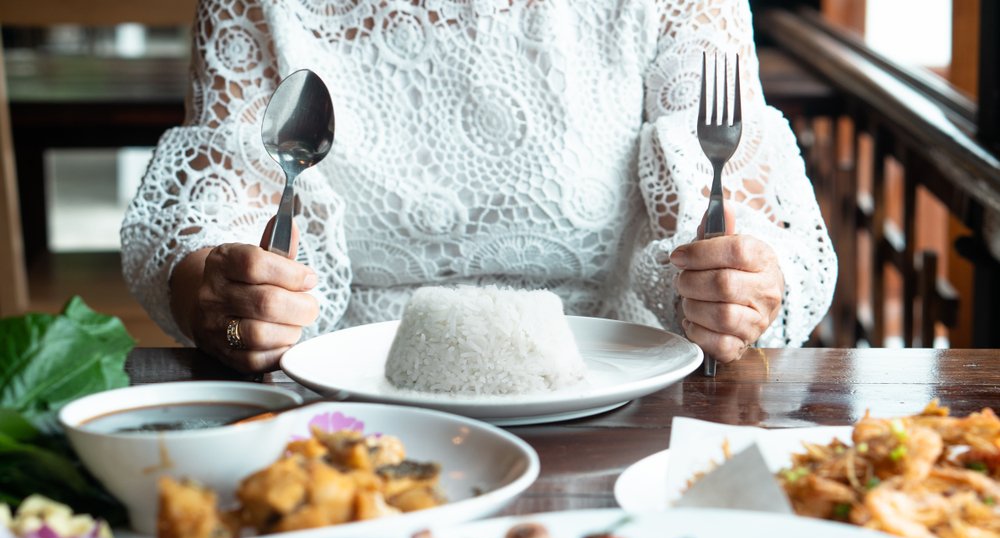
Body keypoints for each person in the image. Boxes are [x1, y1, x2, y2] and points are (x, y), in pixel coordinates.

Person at [122, 0, 836, 374]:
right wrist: (230, 306)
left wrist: (736, 287)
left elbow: (744, 212)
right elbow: (216, 213)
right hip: (350, 405)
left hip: (616, 398)